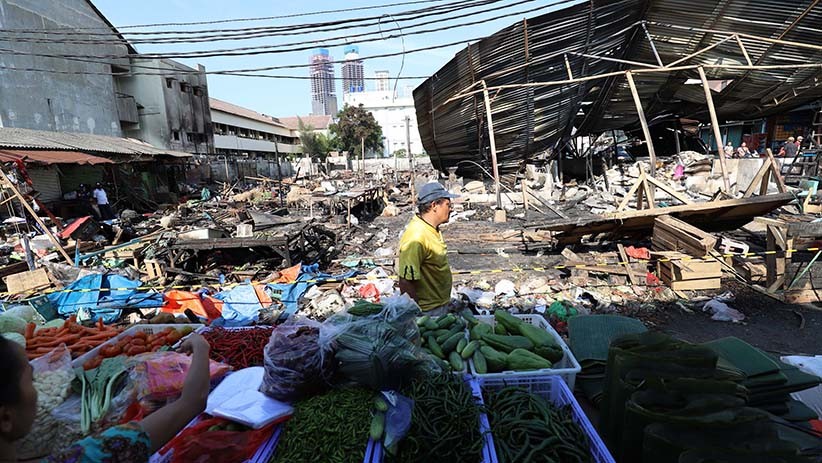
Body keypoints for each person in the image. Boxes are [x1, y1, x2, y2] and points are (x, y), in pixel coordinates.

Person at [0, 333, 211, 462]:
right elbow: (191, 401)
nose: (37, 388)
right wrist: (201, 347)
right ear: (6, 419)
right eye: (31, 379)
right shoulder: (89, 457)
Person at [398, 182, 459, 315]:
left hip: (439, 304)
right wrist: (416, 314)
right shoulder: (417, 237)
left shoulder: (431, 229)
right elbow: (405, 281)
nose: (451, 209)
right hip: (427, 311)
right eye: (448, 205)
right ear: (434, 206)